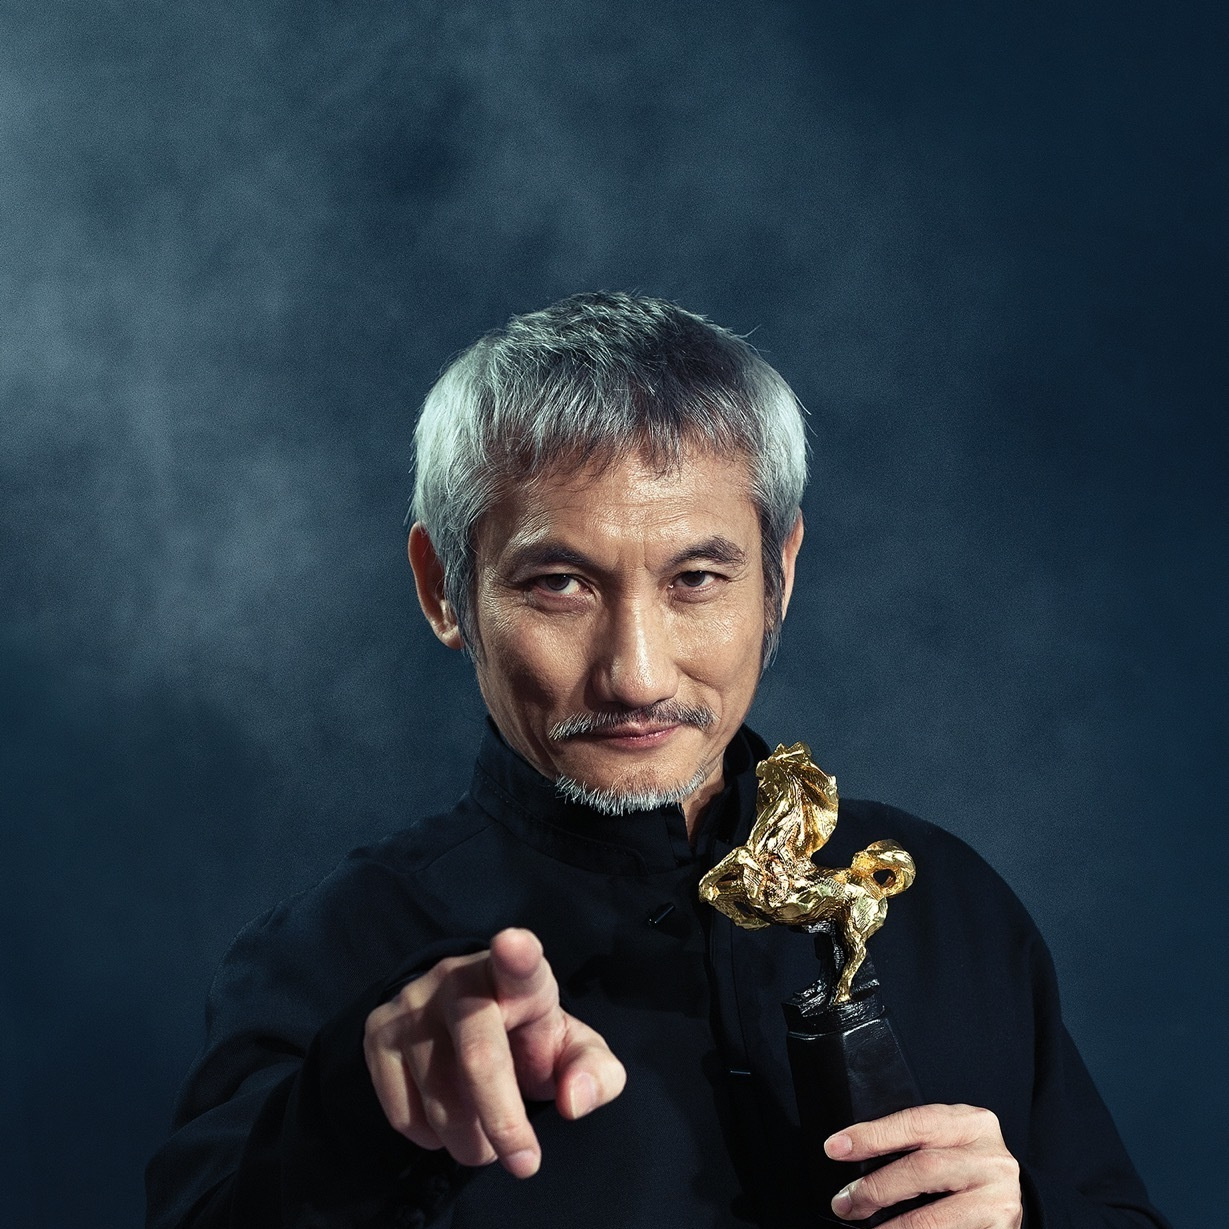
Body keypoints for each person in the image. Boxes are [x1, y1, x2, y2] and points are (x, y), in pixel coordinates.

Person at [146, 292, 1170, 1229]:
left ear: (778, 574)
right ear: (441, 588)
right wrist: (358, 1109)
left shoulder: (947, 902)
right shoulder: (325, 957)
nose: (635, 675)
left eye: (694, 578)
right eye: (558, 584)